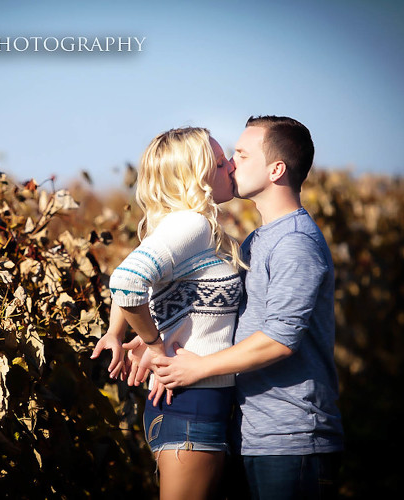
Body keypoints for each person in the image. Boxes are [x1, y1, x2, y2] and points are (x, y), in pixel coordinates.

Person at [152, 116, 345, 499]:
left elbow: (280, 339)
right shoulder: (258, 240)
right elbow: (218, 312)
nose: (231, 163)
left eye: (241, 154)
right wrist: (155, 342)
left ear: (276, 169)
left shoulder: (294, 244)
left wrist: (198, 368)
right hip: (251, 433)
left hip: (293, 439)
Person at [91, 127, 245, 499]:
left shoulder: (187, 226)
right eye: (221, 163)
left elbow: (129, 275)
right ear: (196, 177)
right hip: (190, 402)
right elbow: (128, 281)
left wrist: (115, 331)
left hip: (193, 402)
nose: (232, 168)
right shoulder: (189, 224)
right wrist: (154, 345)